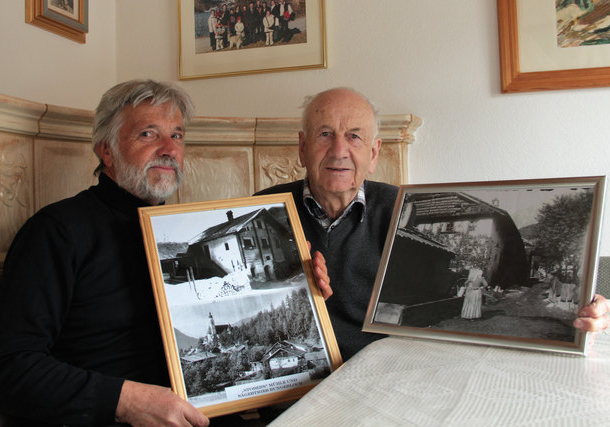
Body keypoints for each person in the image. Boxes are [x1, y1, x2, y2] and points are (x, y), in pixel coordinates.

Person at [0, 79, 330, 426]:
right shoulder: (57, 231)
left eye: (176, 135)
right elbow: (3, 372)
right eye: (148, 133)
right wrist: (126, 402)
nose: (169, 149)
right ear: (106, 149)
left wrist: (302, 287)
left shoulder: (179, 226)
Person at [257, 87, 610, 360]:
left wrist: (584, 313)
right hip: (291, 383)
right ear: (302, 148)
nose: (338, 150)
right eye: (323, 134)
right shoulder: (261, 211)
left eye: (354, 136)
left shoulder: (403, 208)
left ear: (374, 153)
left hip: (379, 380)